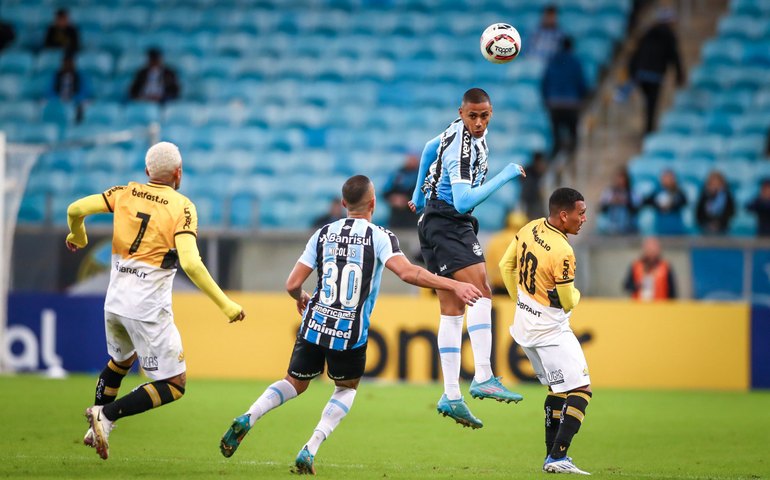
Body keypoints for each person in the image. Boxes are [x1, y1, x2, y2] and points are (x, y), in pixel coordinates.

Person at [219, 175, 482, 474]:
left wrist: (300, 296)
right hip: (350, 331)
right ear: (373, 204)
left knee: (294, 382)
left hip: (315, 323)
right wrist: (454, 285)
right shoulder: (380, 236)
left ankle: (249, 416)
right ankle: (310, 448)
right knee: (346, 388)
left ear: (344, 203)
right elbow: (409, 273)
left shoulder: (322, 233)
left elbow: (292, 284)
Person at [65, 142, 246, 460]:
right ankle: (105, 415)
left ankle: (97, 427)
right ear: (178, 173)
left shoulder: (124, 192)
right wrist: (225, 304)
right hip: (147, 309)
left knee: (120, 362)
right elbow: (190, 263)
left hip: (114, 303)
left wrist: (78, 235)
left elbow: (74, 209)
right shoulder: (182, 207)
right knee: (174, 384)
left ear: (147, 170)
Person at [408, 87, 526, 429]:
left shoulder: (457, 129)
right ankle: (484, 375)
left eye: (484, 116)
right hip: (449, 220)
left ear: (491, 113)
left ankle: (451, 395)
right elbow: (462, 202)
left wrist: (418, 194)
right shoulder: (461, 149)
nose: (478, 122)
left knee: (452, 308)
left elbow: (429, 148)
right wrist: (505, 175)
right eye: (472, 116)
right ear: (461, 113)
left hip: (433, 220)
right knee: (481, 292)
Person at [498, 187, 592, 475]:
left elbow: (505, 265)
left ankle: (552, 457)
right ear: (563, 215)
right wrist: (577, 295)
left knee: (558, 388)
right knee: (581, 390)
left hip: (524, 325)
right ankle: (558, 455)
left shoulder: (530, 227)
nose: (584, 219)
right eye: (580, 213)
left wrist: (521, 300)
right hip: (550, 329)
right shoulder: (563, 251)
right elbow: (567, 301)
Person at [628, 7, 685, 133]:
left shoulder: (647, 33)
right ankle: (649, 129)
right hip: (655, 75)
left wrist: (632, 71)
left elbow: (635, 54)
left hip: (641, 73)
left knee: (648, 101)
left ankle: (648, 128)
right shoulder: (669, 35)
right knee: (652, 102)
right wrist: (679, 75)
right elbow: (674, 56)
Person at [541, 36, 588, 160]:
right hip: (571, 104)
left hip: (554, 104)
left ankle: (556, 154)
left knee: (556, 134)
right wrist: (583, 98)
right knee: (573, 133)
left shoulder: (552, 61)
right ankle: (573, 156)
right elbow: (581, 83)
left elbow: (544, 83)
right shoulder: (576, 62)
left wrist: (547, 100)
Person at [486, 211, 529, 295]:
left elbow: (488, 262)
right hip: (520, 290)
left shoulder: (496, 238)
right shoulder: (527, 240)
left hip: (498, 288)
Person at [641, 169, 688, 235]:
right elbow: (646, 201)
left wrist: (671, 203)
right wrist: (658, 204)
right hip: (661, 229)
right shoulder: (657, 192)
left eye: (670, 178)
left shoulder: (678, 192)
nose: (667, 180)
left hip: (676, 228)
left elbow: (684, 201)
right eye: (665, 177)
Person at [48, 52, 91, 122]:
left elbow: (85, 92)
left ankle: (77, 123)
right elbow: (50, 91)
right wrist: (58, 99)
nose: (68, 65)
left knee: (85, 104)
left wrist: (74, 99)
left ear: (74, 64)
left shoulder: (80, 76)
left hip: (75, 101)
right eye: (66, 63)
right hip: (58, 101)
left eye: (70, 63)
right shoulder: (56, 76)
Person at [384, 153, 420, 228]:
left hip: (413, 219)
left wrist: (406, 200)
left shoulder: (421, 175)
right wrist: (393, 199)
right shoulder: (397, 174)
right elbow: (385, 192)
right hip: (396, 218)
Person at [598, 167, 639, 235]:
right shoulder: (609, 191)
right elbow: (601, 207)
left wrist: (626, 202)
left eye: (622, 179)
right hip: (611, 220)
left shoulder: (631, 192)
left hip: (627, 222)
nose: (620, 181)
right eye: (619, 178)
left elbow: (636, 208)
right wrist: (611, 202)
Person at [695, 171, 735, 235]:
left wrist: (718, 223)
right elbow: (698, 213)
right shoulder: (704, 196)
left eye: (717, 184)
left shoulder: (727, 196)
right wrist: (708, 223)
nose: (715, 186)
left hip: (723, 228)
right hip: (705, 228)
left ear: (723, 184)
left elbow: (731, 212)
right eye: (712, 184)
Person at [520, 151, 548, 220]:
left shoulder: (545, 175)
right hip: (531, 205)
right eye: (540, 163)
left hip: (540, 205)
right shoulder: (529, 176)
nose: (542, 165)